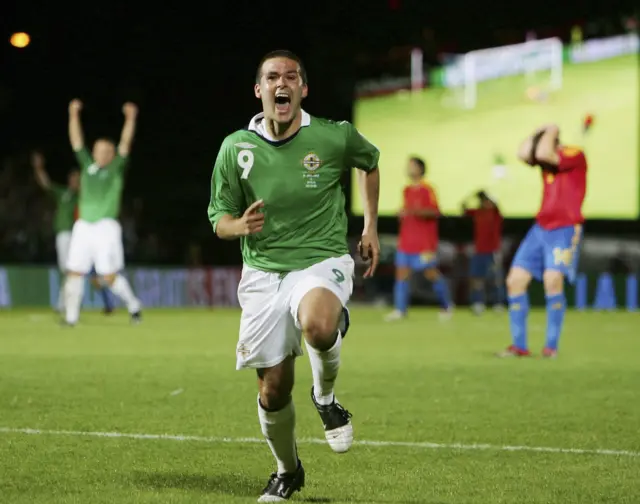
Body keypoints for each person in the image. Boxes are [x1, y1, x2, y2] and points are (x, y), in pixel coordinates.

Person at [207, 49, 380, 502]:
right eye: (271, 77)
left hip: (320, 259)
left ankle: (325, 400)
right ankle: (288, 470)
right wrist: (238, 226)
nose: (280, 83)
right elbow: (218, 219)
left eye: (291, 76)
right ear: (259, 89)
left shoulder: (332, 136)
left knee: (319, 326)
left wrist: (370, 227)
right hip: (263, 273)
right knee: (273, 390)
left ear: (303, 88)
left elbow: (371, 161)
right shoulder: (235, 148)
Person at [499, 124, 587, 358]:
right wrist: (537, 131)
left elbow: (543, 153)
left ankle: (551, 347)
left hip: (565, 229)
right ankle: (519, 345)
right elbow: (523, 154)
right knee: (515, 281)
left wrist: (551, 129)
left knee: (552, 280)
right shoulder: (547, 161)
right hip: (540, 228)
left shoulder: (573, 154)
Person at [63, 99, 142, 326]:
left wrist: (130, 118)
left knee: (108, 275)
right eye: (99, 150)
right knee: (75, 272)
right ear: (95, 152)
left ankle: (134, 306)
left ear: (111, 154)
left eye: (107, 151)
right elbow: (77, 141)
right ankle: (71, 318)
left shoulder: (116, 168)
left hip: (106, 226)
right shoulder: (87, 167)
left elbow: (125, 142)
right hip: (83, 226)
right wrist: (73, 114)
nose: (102, 154)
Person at [32, 151, 115, 314]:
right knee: (75, 270)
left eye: (78, 179)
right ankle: (72, 303)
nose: (75, 181)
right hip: (64, 235)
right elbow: (46, 184)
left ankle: (68, 304)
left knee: (77, 270)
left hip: (78, 235)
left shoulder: (83, 197)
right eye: (73, 178)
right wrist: (38, 168)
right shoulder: (63, 193)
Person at [385, 156, 452, 322]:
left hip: (424, 243)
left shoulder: (427, 189)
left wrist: (413, 211)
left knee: (430, 273)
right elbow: (407, 211)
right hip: (406, 241)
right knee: (401, 274)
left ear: (420, 169)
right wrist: (403, 213)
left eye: (412, 166)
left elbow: (435, 212)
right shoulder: (406, 190)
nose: (408, 169)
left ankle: (446, 306)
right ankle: (400, 310)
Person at [461, 190, 504, 314]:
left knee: (495, 279)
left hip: (493, 251)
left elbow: (497, 206)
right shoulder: (478, 213)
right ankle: (478, 303)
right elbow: (463, 207)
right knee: (477, 279)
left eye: (487, 201)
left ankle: (498, 303)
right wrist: (471, 195)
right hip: (479, 251)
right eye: (484, 201)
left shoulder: (495, 214)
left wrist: (489, 197)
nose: (486, 203)